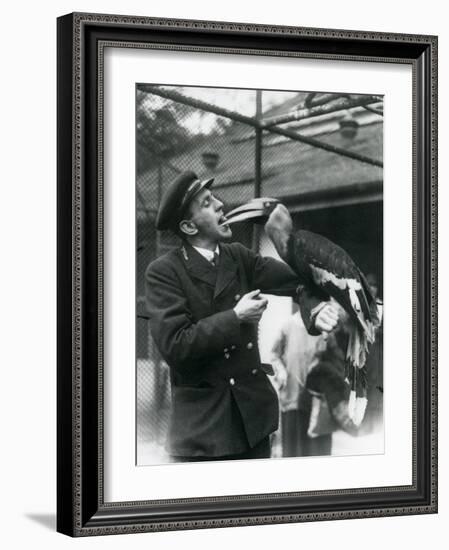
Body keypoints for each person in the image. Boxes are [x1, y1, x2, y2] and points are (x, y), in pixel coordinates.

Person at [145, 171, 339, 462]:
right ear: (188, 226)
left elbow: (299, 282)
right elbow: (176, 345)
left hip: (253, 422)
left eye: (215, 198)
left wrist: (316, 309)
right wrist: (235, 317)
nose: (221, 205)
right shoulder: (165, 271)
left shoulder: (238, 256)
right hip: (203, 430)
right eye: (208, 203)